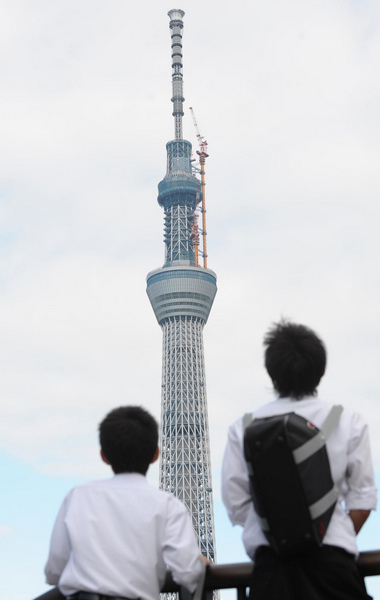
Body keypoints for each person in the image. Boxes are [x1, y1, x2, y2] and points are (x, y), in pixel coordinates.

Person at [221, 320, 377, 600]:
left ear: (270, 373)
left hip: (271, 571)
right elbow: (363, 501)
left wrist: (279, 530)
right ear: (322, 371)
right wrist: (323, 533)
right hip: (334, 571)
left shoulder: (242, 428)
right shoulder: (348, 422)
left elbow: (236, 505)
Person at [45, 405, 207, 600]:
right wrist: (199, 564)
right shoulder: (168, 505)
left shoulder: (78, 496)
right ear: (156, 455)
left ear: (104, 456)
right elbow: (188, 573)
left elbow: (55, 570)